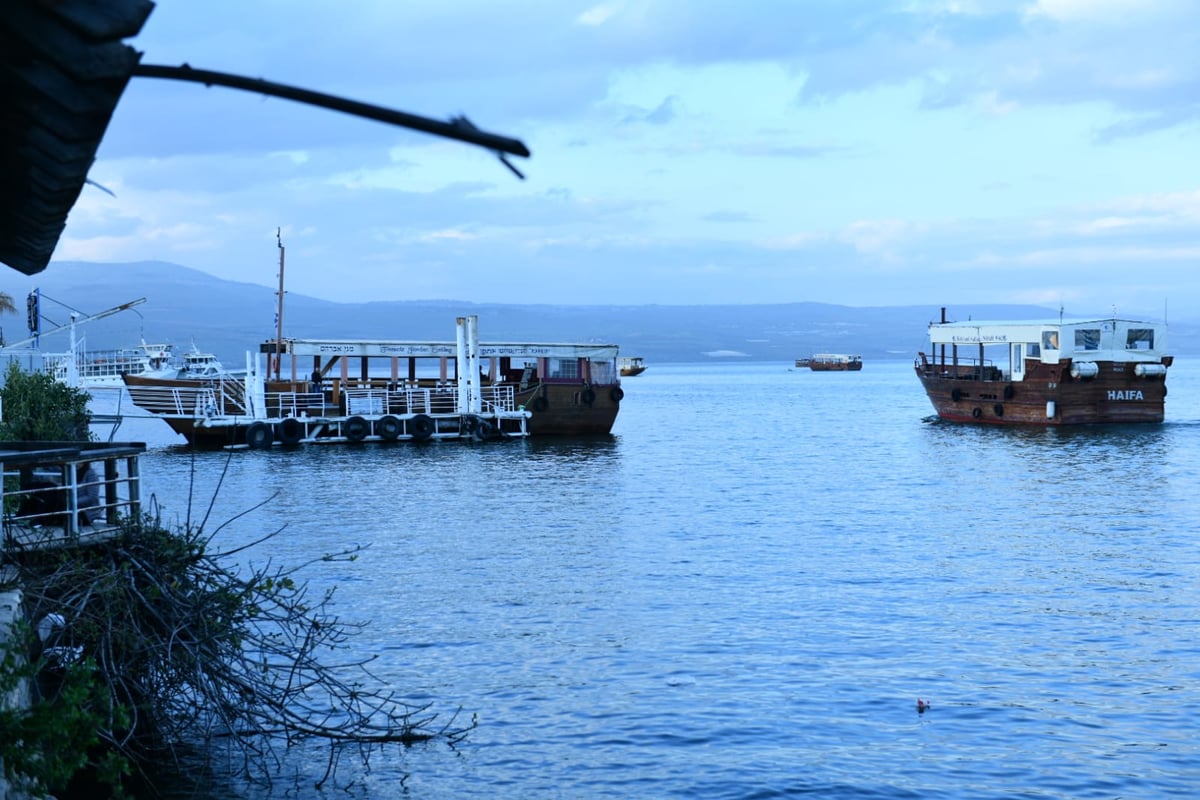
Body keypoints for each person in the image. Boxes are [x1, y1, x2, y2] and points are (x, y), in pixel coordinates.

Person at [76, 461, 101, 526]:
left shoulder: (91, 474)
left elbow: (92, 497)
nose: (77, 464)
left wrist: (72, 502)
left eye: (79, 462)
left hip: (86, 512)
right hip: (75, 509)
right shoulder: (72, 473)